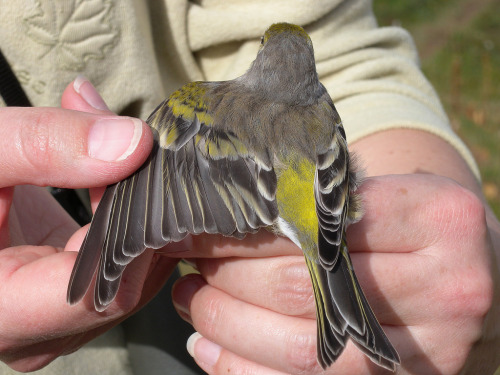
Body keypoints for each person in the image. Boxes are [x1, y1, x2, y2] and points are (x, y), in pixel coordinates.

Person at [0, 1, 498, 374]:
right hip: (328, 197)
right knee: (326, 250)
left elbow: (160, 169)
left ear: (263, 58)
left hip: (246, 241)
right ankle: (343, 299)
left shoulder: (198, 104)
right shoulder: (321, 112)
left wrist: (431, 263)